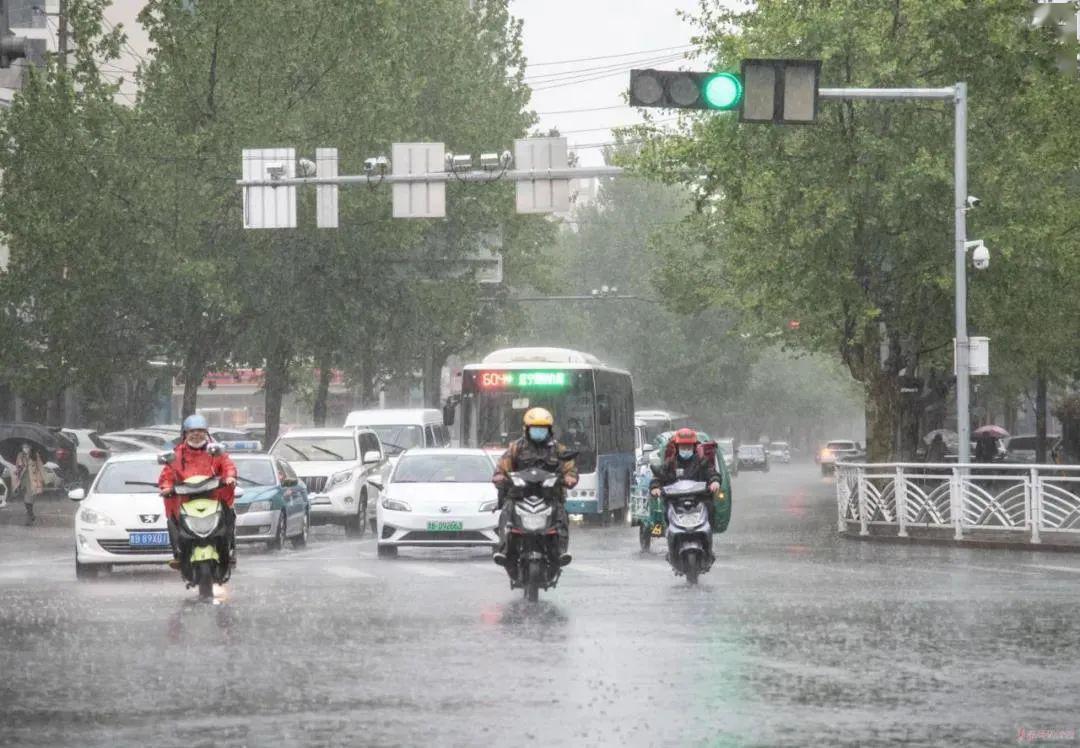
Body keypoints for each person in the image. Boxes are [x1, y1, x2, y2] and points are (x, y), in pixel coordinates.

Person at [491, 407, 578, 570]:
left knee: (561, 515)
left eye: (543, 429)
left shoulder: (558, 449)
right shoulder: (515, 448)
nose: (539, 432)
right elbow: (501, 469)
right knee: (506, 512)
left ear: (549, 430)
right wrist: (501, 478)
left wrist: (569, 478)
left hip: (549, 497)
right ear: (526, 429)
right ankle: (503, 549)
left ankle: (560, 551)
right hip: (519, 496)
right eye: (535, 429)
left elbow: (570, 468)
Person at [158, 415, 238, 571]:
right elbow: (167, 474)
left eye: (200, 431)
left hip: (214, 498)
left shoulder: (215, 451)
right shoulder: (177, 454)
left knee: (229, 514)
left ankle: (229, 548)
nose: (196, 435)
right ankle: (179, 553)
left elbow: (228, 465)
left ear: (206, 433)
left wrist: (229, 477)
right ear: (185, 434)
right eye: (192, 431)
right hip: (185, 501)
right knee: (173, 520)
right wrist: (167, 488)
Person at [649, 428, 722, 540]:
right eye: (683, 447)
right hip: (675, 501)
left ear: (694, 447)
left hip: (699, 500)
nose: (686, 449)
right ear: (677, 448)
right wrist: (655, 487)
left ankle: (707, 540)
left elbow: (712, 473)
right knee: (666, 510)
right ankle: (671, 538)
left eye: (689, 447)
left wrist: (715, 481)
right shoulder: (671, 463)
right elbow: (659, 477)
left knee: (710, 507)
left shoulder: (702, 462)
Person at [13, 443, 45, 525]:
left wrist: (43, 479)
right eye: (24, 447)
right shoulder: (20, 455)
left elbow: (40, 466)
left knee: (29, 497)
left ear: (30, 448)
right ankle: (31, 514)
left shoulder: (35, 455)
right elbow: (17, 466)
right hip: (23, 478)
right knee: (26, 498)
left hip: (32, 479)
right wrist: (19, 468)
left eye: (27, 447)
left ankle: (29, 517)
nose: (25, 449)